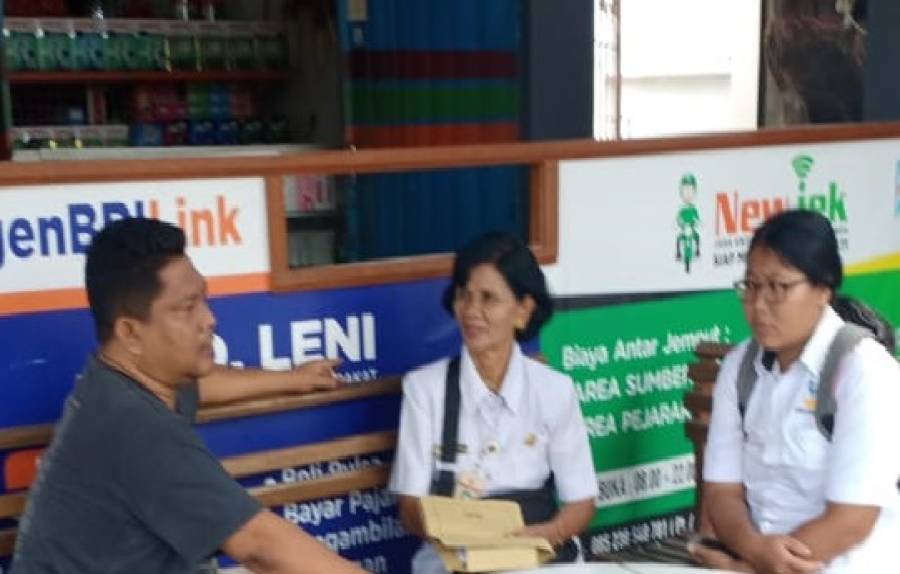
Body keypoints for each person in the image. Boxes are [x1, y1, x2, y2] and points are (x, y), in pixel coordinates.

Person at [11, 218, 366, 574]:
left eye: (204, 300)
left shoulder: (117, 383)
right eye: (186, 308)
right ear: (130, 333)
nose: (209, 319)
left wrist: (294, 379)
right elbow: (261, 545)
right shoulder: (136, 429)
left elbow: (204, 383)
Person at [691, 210, 900, 573]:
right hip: (759, 558)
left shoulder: (864, 370)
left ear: (823, 290)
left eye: (778, 287)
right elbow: (722, 492)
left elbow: (851, 520)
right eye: (751, 286)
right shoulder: (740, 367)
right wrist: (754, 549)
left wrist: (753, 568)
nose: (759, 305)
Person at [389, 231, 598, 574]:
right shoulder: (425, 390)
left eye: (488, 298)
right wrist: (457, 534)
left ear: (523, 310)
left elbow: (581, 502)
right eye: (464, 295)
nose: (472, 311)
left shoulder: (554, 390)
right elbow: (410, 507)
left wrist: (550, 534)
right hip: (454, 559)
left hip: (538, 555)